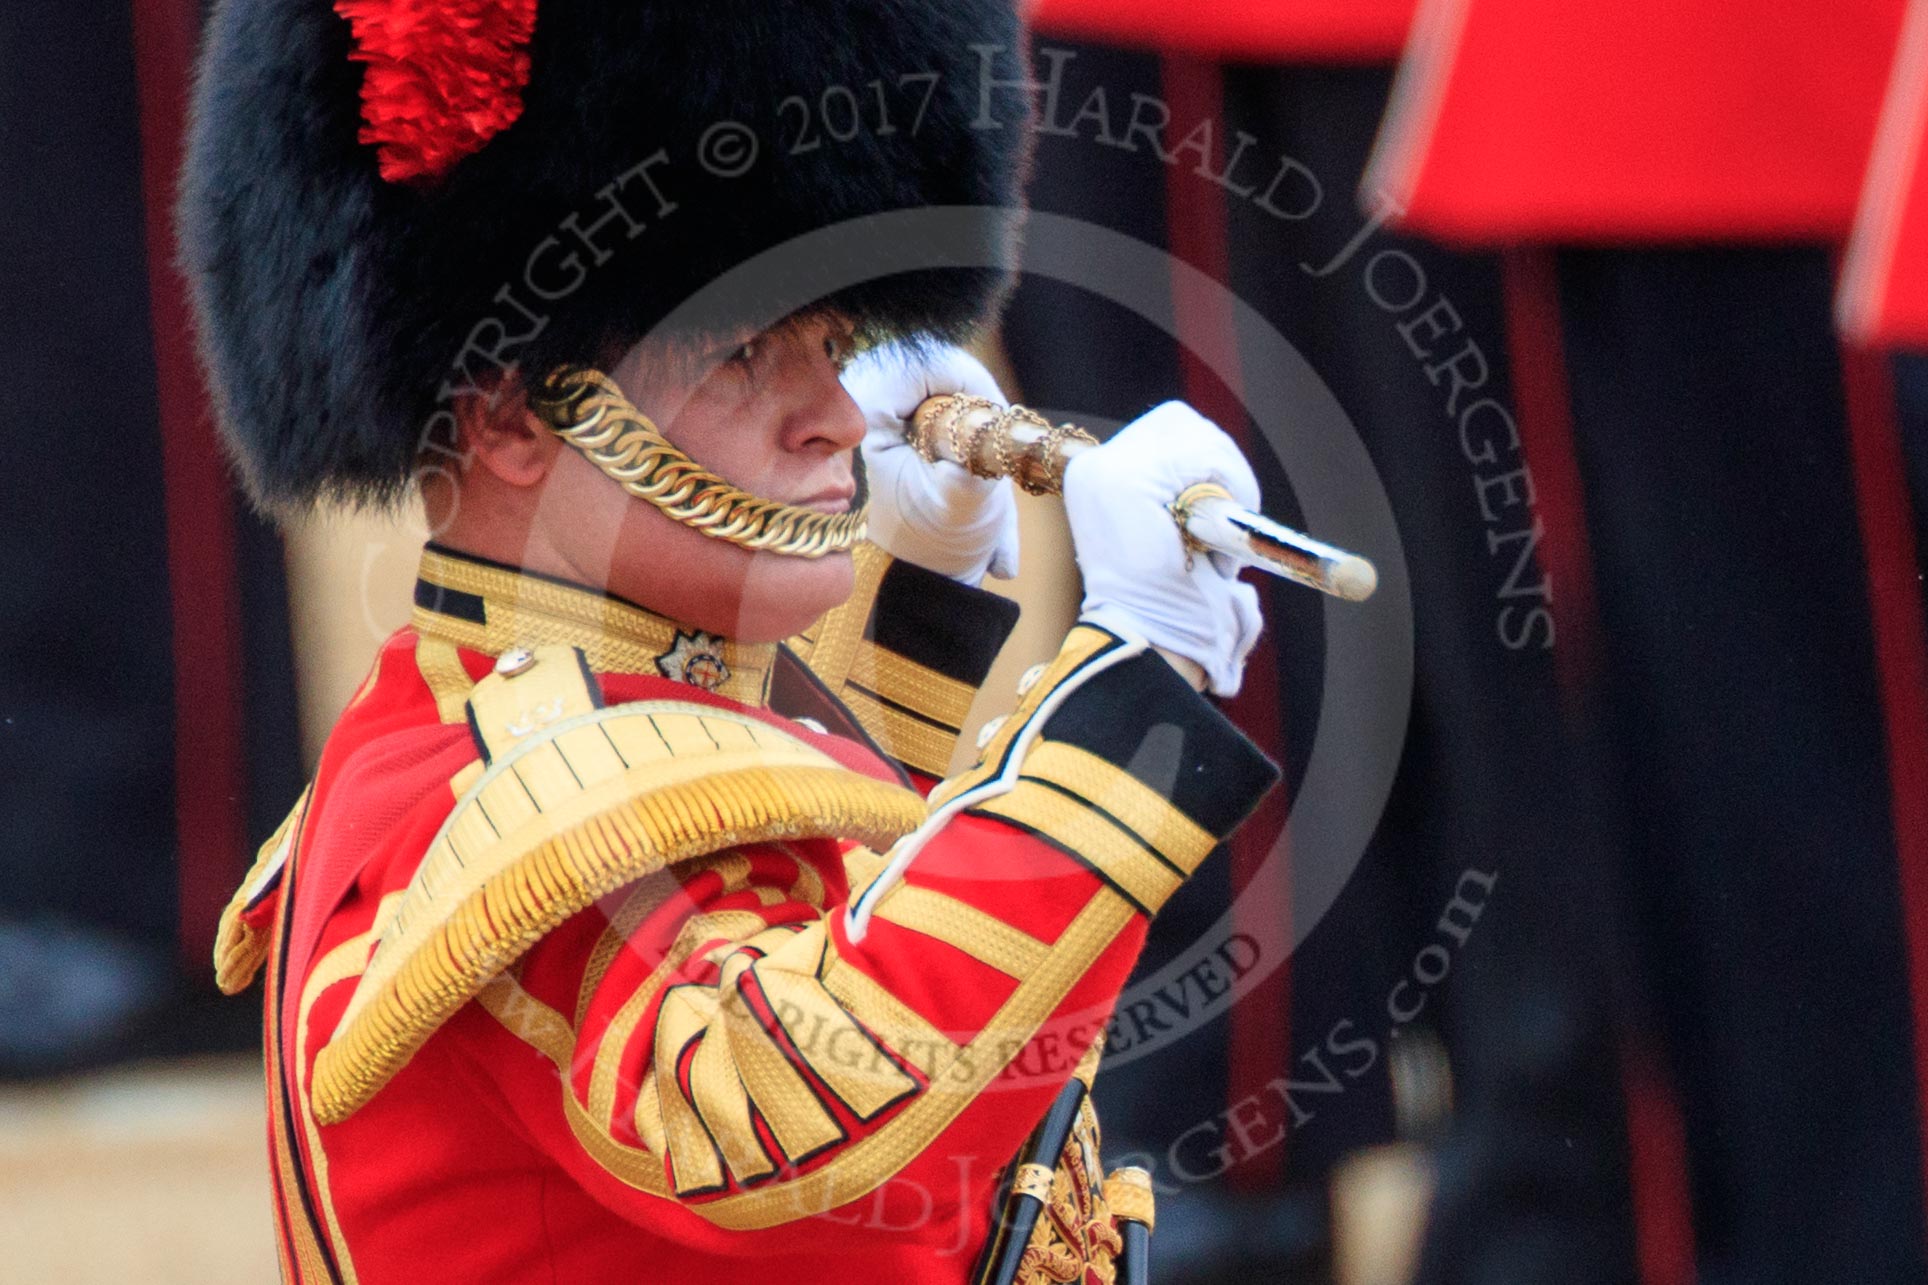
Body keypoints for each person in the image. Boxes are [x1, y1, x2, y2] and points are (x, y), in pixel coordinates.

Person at [179, 0, 1280, 1280]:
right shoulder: (518, 804)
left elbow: (812, 901)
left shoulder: (544, 720)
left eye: (835, 337)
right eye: (746, 352)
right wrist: (1129, 702)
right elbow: (803, 1129)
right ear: (513, 421)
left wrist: (917, 599)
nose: (831, 415)